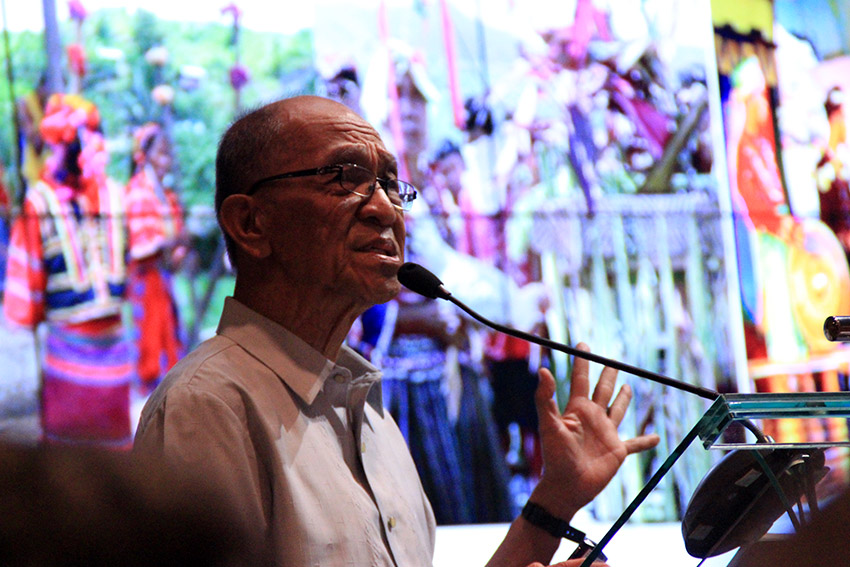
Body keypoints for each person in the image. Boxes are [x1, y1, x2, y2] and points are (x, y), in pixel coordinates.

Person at [134, 95, 659, 567]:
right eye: (343, 176)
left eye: (389, 183)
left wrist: (555, 500)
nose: (385, 208)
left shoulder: (368, 409)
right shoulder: (206, 409)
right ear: (251, 224)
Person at [4, 94, 133, 448]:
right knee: (68, 462)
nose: (93, 145)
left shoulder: (117, 198)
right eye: (84, 137)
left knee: (113, 454)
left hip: (114, 350)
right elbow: (24, 293)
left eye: (95, 135)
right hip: (66, 352)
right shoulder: (39, 202)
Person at [125, 122, 188, 395]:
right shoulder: (138, 192)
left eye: (168, 153)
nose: (167, 160)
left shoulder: (165, 195)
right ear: (145, 155)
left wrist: (178, 250)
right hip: (146, 278)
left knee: (170, 336)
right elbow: (142, 246)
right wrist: (172, 242)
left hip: (164, 277)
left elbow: (175, 238)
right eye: (161, 152)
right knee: (149, 342)